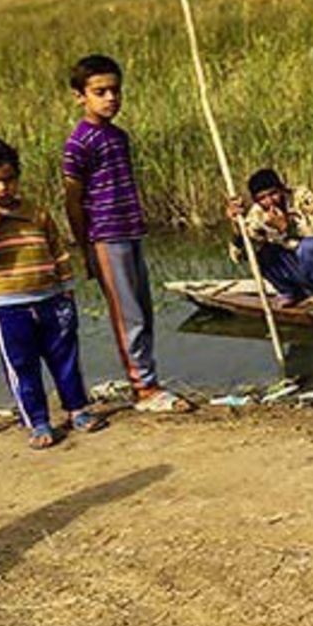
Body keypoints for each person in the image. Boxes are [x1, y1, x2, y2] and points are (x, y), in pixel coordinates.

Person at [62, 53, 190, 413]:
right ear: (80, 96)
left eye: (115, 91)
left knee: (143, 309)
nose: (110, 98)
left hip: (129, 230)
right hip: (105, 236)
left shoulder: (118, 136)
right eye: (100, 91)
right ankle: (143, 388)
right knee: (127, 314)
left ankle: (148, 378)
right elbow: (73, 200)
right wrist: (85, 247)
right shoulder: (79, 142)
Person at [0, 139, 107, 449]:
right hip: (11, 307)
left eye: (8, 179)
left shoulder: (36, 213)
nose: (2, 188)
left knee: (65, 358)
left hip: (52, 300)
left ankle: (77, 409)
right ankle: (38, 421)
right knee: (22, 366)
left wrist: (67, 292)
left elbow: (57, 251)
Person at [227, 168, 313, 309]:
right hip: (298, 267)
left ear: (282, 189)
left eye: (273, 194)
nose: (270, 201)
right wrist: (237, 227)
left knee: (309, 248)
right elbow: (239, 256)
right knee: (259, 252)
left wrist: (286, 228)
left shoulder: (302, 197)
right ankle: (290, 292)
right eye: (262, 198)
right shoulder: (257, 214)